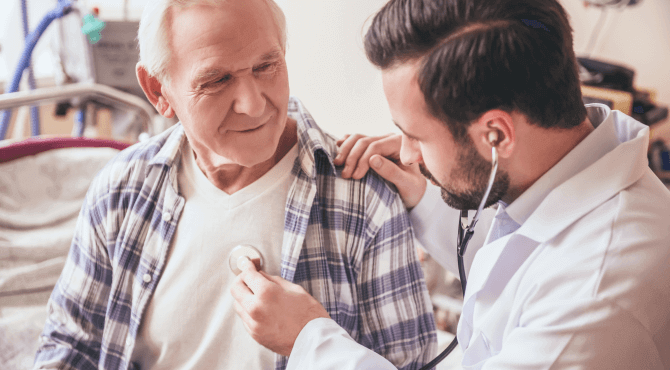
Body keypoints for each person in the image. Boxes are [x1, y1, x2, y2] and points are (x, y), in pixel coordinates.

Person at [231, 0, 670, 368]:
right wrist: (423, 196)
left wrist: (308, 340)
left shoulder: (596, 294)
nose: (405, 154)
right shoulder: (558, 168)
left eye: (416, 136)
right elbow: (521, 259)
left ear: (496, 135)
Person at [32, 0, 438, 369]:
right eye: (217, 80)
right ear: (158, 90)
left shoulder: (363, 199)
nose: (254, 104)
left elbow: (411, 365)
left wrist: (309, 338)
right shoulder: (121, 191)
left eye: (267, 66)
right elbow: (71, 344)